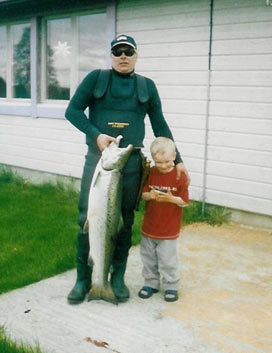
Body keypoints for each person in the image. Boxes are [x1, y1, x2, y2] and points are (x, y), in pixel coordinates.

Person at [65, 34, 190, 304]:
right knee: (87, 219)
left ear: (136, 56)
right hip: (99, 161)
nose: (123, 56)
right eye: (118, 51)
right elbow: (72, 111)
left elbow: (160, 125)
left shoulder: (147, 87)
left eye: (128, 52)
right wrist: (96, 135)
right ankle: (84, 280)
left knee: (124, 221)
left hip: (131, 163)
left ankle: (117, 278)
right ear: (111, 55)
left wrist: (178, 159)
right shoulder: (95, 80)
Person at [138, 137, 189, 302]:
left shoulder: (179, 176)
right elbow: (142, 195)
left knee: (168, 260)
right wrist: (149, 195)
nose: (163, 166)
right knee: (148, 258)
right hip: (149, 227)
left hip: (168, 230)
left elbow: (184, 202)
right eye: (158, 162)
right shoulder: (151, 172)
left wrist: (171, 199)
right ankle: (151, 283)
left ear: (174, 156)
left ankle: (171, 285)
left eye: (167, 161)